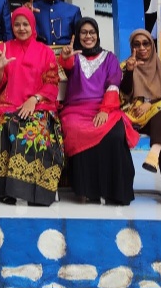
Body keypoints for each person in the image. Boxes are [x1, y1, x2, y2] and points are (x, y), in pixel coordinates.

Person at [58, 18, 138, 206]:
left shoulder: (109, 58)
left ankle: (115, 191)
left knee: (115, 134)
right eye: (83, 32)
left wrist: (105, 110)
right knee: (76, 130)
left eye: (92, 32)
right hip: (75, 110)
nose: (88, 36)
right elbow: (66, 66)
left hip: (104, 106)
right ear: (78, 36)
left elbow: (113, 84)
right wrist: (65, 57)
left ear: (97, 35)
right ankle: (86, 191)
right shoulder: (74, 56)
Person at [0, 6, 64, 206]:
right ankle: (7, 191)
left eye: (25, 24)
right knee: (6, 127)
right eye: (17, 24)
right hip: (8, 105)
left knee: (39, 132)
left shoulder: (45, 52)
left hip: (38, 106)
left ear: (32, 25)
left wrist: (34, 99)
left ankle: (38, 193)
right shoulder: (3, 49)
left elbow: (52, 82)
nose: (21, 28)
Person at [120, 29, 161, 208]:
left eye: (146, 43)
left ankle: (157, 159)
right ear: (132, 47)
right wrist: (129, 71)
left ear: (152, 45)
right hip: (131, 114)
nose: (142, 48)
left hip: (155, 115)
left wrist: (150, 103)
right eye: (137, 44)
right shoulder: (126, 65)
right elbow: (124, 93)